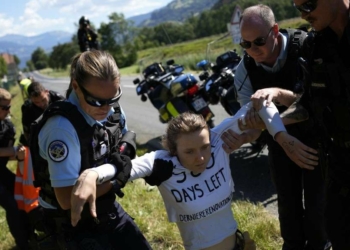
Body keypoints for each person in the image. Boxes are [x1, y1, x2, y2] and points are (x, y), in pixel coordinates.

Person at [70, 99, 316, 250]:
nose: (200, 157)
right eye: (189, 151)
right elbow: (125, 167)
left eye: (204, 147)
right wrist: (91, 174)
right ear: (173, 150)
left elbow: (262, 105)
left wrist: (280, 135)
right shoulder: (162, 163)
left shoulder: (219, 141)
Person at [221, 5, 330, 250]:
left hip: (316, 140)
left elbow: (317, 104)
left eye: (258, 41)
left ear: (275, 30)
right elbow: (252, 122)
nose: (252, 50)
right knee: (288, 208)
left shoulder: (306, 47)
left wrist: (279, 94)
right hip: (279, 144)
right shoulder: (244, 70)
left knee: (317, 210)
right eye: (245, 44)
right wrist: (243, 136)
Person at [31, 50, 151, 249]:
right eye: (96, 101)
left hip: (103, 204)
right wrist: (117, 180)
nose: (106, 108)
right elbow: (67, 199)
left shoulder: (113, 112)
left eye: (113, 97)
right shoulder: (62, 129)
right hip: (70, 221)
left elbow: (123, 148)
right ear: (76, 86)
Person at [290, 0, 350, 249]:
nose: (304, 15)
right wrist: (266, 125)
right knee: (338, 232)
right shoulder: (315, 44)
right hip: (340, 163)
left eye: (309, 5)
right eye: (298, 8)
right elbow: (306, 104)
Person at [0, 88, 30, 249]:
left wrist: (21, 153)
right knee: (11, 205)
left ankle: (29, 234)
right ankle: (22, 244)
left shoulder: (7, 126)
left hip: (1, 171)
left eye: (9, 106)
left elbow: (9, 155)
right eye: (4, 108)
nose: (8, 111)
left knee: (21, 195)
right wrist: (12, 151)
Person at [21, 80, 65, 145]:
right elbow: (27, 133)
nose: (41, 104)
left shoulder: (58, 99)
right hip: (41, 137)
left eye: (43, 99)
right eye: (36, 102)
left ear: (46, 92)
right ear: (31, 99)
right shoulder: (28, 110)